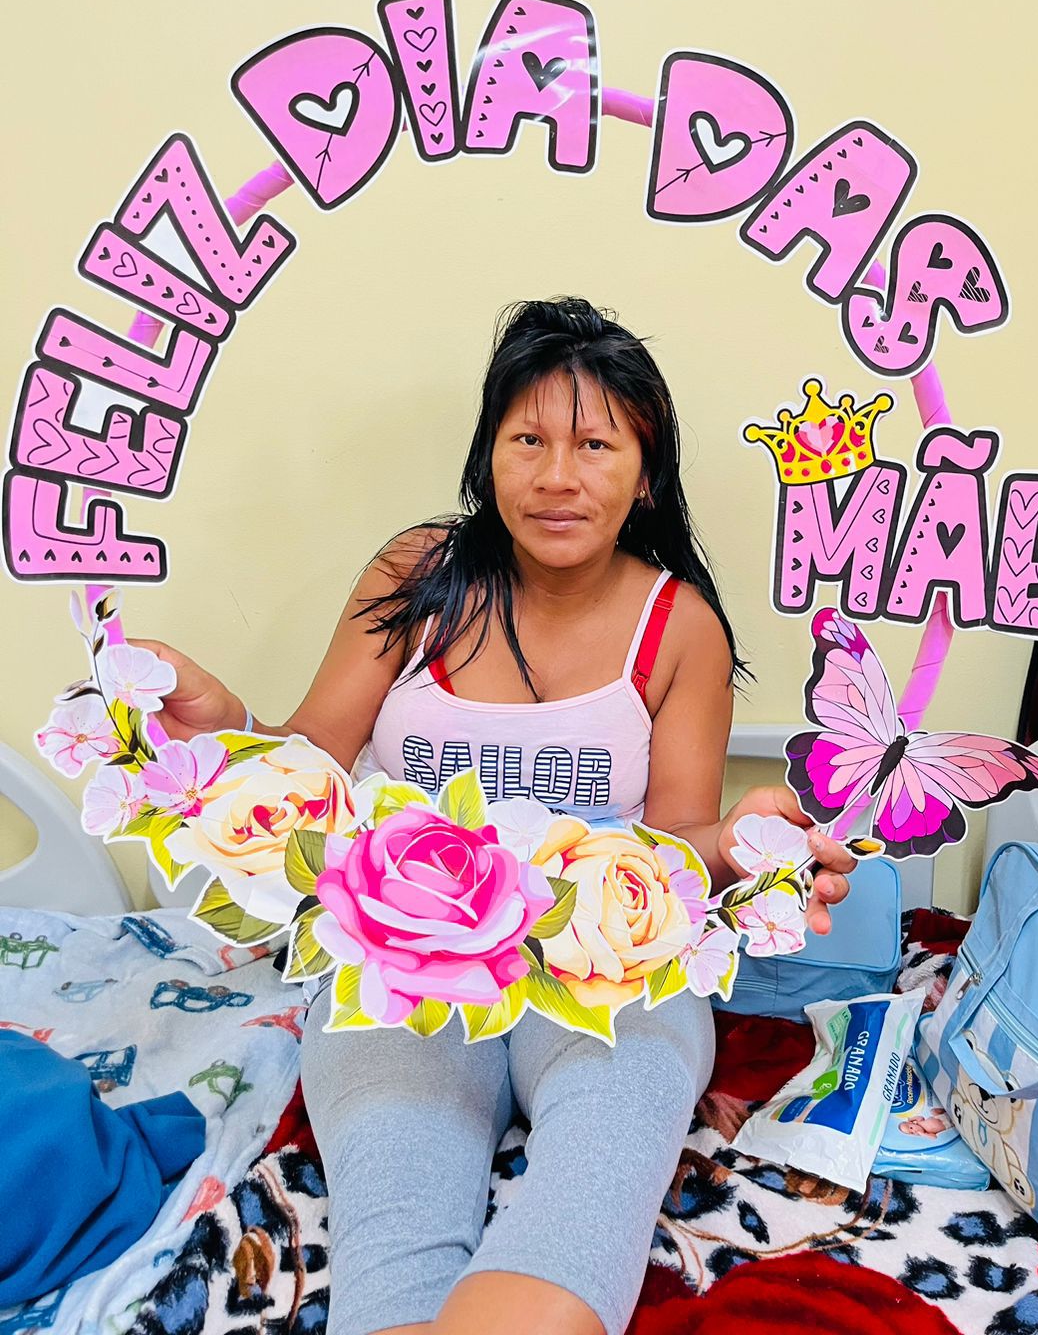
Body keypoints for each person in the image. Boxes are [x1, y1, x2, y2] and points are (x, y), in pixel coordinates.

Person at [140, 297, 854, 1335]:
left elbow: (675, 846)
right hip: (404, 959)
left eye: (595, 445)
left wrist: (744, 845)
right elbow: (309, 763)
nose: (558, 475)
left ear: (645, 474)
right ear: (490, 455)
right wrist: (226, 728)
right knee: (397, 1222)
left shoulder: (680, 626)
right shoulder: (418, 576)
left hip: (610, 968)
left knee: (593, 1190)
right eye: (528, 440)